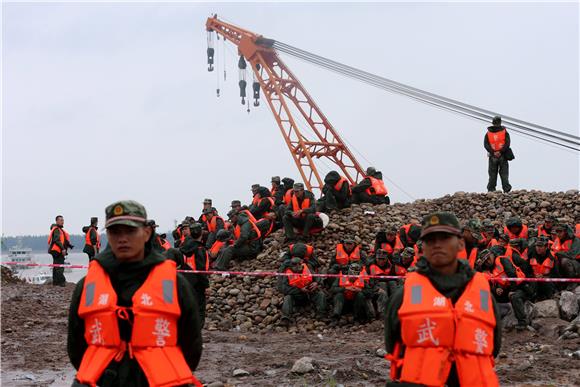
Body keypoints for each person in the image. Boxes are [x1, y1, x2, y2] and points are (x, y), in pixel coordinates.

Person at [67, 200, 203, 387]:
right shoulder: (87, 286)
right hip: (105, 380)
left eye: (130, 231)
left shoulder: (174, 284)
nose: (122, 238)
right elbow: (76, 346)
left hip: (160, 381)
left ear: (147, 233)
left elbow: (191, 344)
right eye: (115, 232)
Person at [385, 212, 501, 387]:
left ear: (461, 243)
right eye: (430, 240)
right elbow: (393, 345)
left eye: (445, 238)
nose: (437, 244)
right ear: (422, 246)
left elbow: (494, 345)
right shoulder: (405, 295)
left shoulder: (483, 295)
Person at [475, 248, 529, 331]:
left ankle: (523, 322)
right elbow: (488, 283)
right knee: (485, 295)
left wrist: (512, 290)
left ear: (492, 255)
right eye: (485, 261)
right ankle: (486, 320)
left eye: (488, 259)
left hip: (520, 287)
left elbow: (512, 274)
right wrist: (496, 289)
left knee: (514, 296)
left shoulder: (503, 260)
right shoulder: (487, 270)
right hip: (505, 290)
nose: (488, 262)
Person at [278, 257, 327, 325]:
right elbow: (284, 289)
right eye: (294, 265)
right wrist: (300, 290)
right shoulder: (287, 274)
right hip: (296, 297)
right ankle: (286, 317)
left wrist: (316, 283)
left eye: (298, 264)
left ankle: (321, 315)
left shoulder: (308, 269)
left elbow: (318, 277)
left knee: (321, 294)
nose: (297, 267)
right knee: (287, 297)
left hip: (310, 294)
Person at [179, 223, 210, 328]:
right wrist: (206, 285)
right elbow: (201, 269)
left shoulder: (184, 246)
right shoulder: (199, 249)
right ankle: (197, 332)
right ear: (201, 233)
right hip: (197, 283)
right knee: (199, 308)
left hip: (185, 281)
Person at [485, 115, 513, 193]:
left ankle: (491, 189)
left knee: (492, 174)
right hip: (502, 156)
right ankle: (506, 189)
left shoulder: (488, 133)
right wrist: (500, 152)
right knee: (504, 173)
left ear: (493, 123)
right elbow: (507, 143)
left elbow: (486, 145)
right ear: (500, 122)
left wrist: (493, 152)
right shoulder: (504, 132)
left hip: (492, 156)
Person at [367, 249, 399, 317]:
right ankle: (384, 311)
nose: (381, 261)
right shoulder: (370, 265)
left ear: (386, 258)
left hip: (388, 282)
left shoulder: (390, 265)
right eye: (379, 259)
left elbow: (394, 277)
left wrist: (384, 278)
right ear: (376, 258)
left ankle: (396, 307)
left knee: (392, 283)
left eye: (383, 259)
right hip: (375, 286)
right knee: (382, 284)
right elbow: (370, 280)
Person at [48, 215, 73, 286]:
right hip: (57, 251)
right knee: (59, 267)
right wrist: (63, 249)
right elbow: (57, 240)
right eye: (61, 220)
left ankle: (56, 283)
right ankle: (62, 282)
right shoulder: (56, 229)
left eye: (63, 220)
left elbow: (63, 240)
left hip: (57, 251)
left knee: (56, 266)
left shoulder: (60, 230)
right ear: (57, 221)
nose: (63, 222)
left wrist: (69, 245)